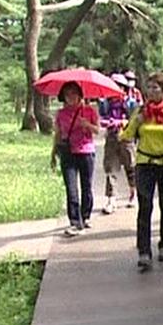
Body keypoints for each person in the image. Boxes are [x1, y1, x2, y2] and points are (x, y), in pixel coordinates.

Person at [119, 72, 163, 269]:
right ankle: (144, 251)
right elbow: (126, 136)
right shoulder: (140, 112)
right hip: (145, 163)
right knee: (145, 206)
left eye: (155, 88)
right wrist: (136, 123)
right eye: (148, 87)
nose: (151, 91)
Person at [50, 81, 101, 237]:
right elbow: (58, 134)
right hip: (68, 153)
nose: (70, 97)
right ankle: (74, 221)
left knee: (87, 187)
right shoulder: (61, 114)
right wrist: (53, 153)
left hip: (86, 152)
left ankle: (85, 216)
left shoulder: (89, 111)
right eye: (67, 94)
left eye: (73, 93)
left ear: (80, 95)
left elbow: (98, 130)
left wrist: (87, 125)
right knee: (71, 189)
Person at [100, 73, 137, 214]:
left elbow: (134, 119)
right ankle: (111, 199)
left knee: (131, 167)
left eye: (118, 86)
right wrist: (107, 122)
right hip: (111, 137)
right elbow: (102, 118)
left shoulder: (130, 103)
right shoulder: (105, 103)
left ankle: (133, 193)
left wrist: (125, 122)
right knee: (111, 169)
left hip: (126, 138)